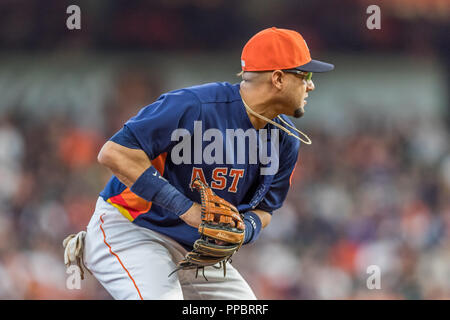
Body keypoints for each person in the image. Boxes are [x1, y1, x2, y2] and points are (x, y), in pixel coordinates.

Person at [63, 27, 334, 300]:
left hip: (195, 250)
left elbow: (264, 211)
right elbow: (113, 153)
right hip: (132, 229)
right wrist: (185, 208)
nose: (310, 85)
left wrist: (245, 229)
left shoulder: (285, 140)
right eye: (305, 75)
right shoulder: (195, 105)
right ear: (277, 78)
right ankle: (97, 246)